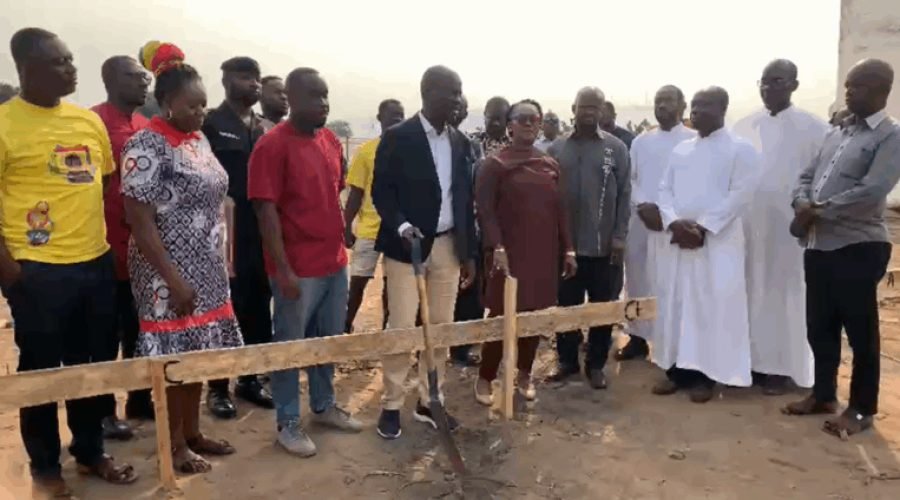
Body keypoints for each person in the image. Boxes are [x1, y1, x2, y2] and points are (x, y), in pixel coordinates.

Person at [0, 28, 138, 496]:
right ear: (26, 69)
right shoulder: (3, 125)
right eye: (58, 62)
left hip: (94, 264)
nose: (70, 68)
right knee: (41, 370)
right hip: (36, 272)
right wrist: (11, 269)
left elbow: (99, 185)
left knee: (93, 364)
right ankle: (45, 464)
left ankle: (90, 449)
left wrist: (92, 244)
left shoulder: (87, 122)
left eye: (70, 59)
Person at [123, 41, 243, 474]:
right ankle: (171, 445)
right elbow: (138, 220)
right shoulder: (146, 145)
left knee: (197, 355)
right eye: (192, 106)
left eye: (204, 106)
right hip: (165, 271)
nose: (200, 113)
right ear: (167, 103)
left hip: (206, 267)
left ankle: (192, 433)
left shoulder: (198, 140)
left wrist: (220, 259)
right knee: (173, 360)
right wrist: (173, 278)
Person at [249, 67, 363, 457]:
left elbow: (335, 194)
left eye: (326, 95)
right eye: (314, 96)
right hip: (297, 269)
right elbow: (265, 212)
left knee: (327, 341)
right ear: (291, 99)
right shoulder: (272, 145)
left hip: (334, 262)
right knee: (290, 346)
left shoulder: (331, 140)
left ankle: (324, 405)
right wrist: (283, 270)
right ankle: (287, 421)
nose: (323, 103)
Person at [784, 59, 900, 439]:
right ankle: (823, 395)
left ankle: (862, 409)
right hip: (818, 245)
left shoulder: (890, 136)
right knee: (820, 327)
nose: (849, 93)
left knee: (861, 332)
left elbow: (872, 191)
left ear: (882, 90)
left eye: (858, 87)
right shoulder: (837, 133)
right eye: (848, 86)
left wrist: (818, 212)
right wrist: (802, 202)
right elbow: (806, 175)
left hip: (858, 246)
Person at [372, 65, 477, 440]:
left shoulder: (461, 142)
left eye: (460, 91)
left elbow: (464, 200)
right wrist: (401, 226)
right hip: (408, 250)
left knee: (440, 329)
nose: (458, 98)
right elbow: (381, 192)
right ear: (429, 93)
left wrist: (469, 253)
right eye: (453, 91)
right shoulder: (400, 137)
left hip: (448, 247)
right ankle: (391, 404)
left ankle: (430, 400)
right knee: (401, 326)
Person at [652, 86, 759, 403]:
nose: (696, 112)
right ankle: (676, 371)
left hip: (717, 243)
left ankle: (707, 377)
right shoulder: (681, 150)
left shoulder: (741, 149)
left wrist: (704, 227)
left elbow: (741, 194)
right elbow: (663, 189)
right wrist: (673, 222)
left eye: (704, 106)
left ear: (723, 108)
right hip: (679, 242)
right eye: (694, 106)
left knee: (711, 308)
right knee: (678, 306)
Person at [732, 60, 830, 395]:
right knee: (750, 290)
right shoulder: (744, 126)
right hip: (748, 227)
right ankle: (752, 361)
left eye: (776, 81)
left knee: (784, 294)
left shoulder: (815, 128)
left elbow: (824, 178)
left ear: (793, 85)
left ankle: (781, 368)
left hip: (789, 232)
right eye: (763, 82)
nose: (767, 88)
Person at [473, 99, 577, 404]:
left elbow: (561, 211)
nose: (529, 123)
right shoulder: (495, 164)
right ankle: (485, 378)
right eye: (522, 119)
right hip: (508, 253)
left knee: (533, 315)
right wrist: (498, 246)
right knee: (500, 314)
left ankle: (523, 375)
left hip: (543, 253)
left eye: (535, 118)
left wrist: (568, 250)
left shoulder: (549, 164)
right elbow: (485, 211)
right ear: (510, 125)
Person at [202, 56, 273, 419]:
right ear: (226, 80)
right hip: (222, 231)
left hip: (260, 230)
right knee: (223, 308)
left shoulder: (264, 127)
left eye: (257, 78)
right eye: (245, 77)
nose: (254, 84)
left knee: (259, 306)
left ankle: (249, 378)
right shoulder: (210, 123)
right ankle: (216, 387)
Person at [547, 87, 630, 389]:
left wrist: (619, 236)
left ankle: (596, 365)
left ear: (603, 110)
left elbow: (624, 195)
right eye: (584, 106)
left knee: (602, 308)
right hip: (566, 249)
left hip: (604, 246)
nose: (589, 112)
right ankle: (567, 361)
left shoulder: (616, 149)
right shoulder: (556, 149)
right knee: (566, 308)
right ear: (573, 108)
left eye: (595, 107)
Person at [91, 56, 154, 437]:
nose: (143, 83)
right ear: (111, 79)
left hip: (143, 251)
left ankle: (140, 398)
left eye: (145, 77)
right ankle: (101, 410)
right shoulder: (93, 122)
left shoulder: (145, 125)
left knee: (141, 329)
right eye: (135, 77)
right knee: (103, 335)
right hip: (104, 248)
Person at [618, 85, 696, 362]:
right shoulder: (641, 141)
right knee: (638, 280)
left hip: (676, 224)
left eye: (668, 101)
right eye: (658, 101)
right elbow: (632, 179)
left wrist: (668, 214)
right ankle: (637, 338)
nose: (661, 106)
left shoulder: (694, 140)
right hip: (643, 221)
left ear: (682, 105)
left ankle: (676, 344)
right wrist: (643, 205)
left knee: (674, 285)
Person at [450, 95, 511, 367]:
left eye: (500, 117)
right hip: (474, 229)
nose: (494, 122)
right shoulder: (470, 144)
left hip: (505, 230)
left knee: (500, 288)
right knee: (470, 292)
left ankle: (499, 343)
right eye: (490, 116)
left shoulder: (515, 148)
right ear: (483, 115)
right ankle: (461, 348)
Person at [344, 99, 405, 333]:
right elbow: (356, 193)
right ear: (380, 118)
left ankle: (386, 329)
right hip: (369, 229)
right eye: (391, 115)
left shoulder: (408, 151)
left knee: (392, 284)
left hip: (397, 229)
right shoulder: (366, 151)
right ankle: (345, 325)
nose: (396, 119)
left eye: (400, 115)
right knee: (358, 280)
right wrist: (346, 225)